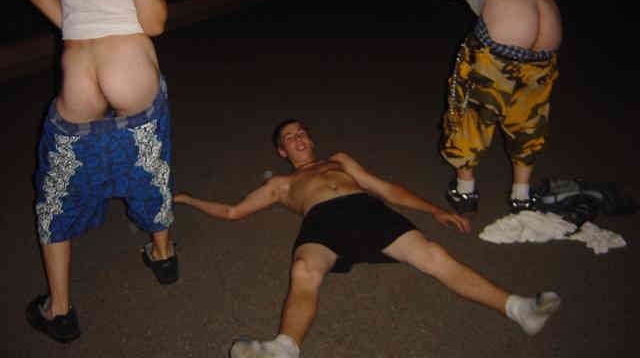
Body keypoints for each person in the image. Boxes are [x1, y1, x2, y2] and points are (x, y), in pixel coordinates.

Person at [175, 119, 562, 358]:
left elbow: (387, 189)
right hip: (321, 222)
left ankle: (519, 309)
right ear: (282, 150)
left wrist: (434, 210)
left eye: (302, 132)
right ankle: (283, 349)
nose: (298, 138)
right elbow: (233, 212)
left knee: (433, 255)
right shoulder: (281, 183)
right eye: (289, 137)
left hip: (366, 211)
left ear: (311, 139)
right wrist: (190, 200)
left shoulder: (339, 161)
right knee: (304, 269)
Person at [26, 0, 176, 344]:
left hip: (78, 85)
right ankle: (163, 256)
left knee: (56, 193)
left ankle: (59, 310)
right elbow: (155, 22)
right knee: (150, 167)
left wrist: (80, 29)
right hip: (130, 75)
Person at [433, 0, 562, 214]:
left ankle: (465, 190)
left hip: (508, 23)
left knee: (470, 106)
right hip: (548, 26)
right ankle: (521, 194)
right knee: (529, 114)